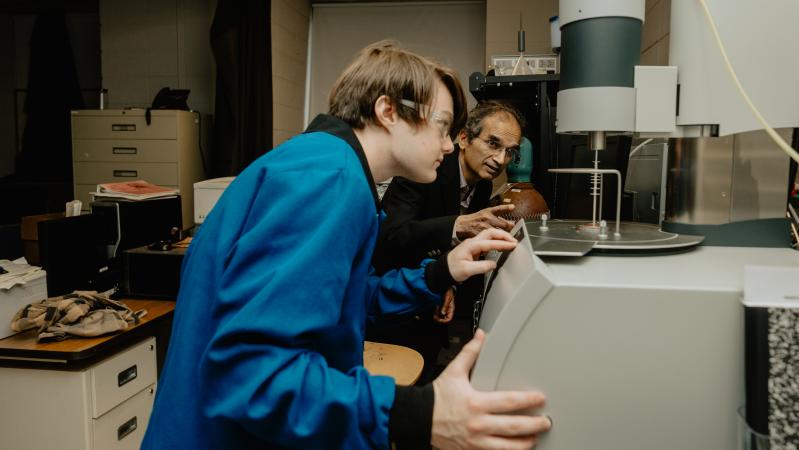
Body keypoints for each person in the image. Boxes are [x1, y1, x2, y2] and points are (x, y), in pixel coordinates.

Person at [141, 41, 551, 450]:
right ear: (388, 111)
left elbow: (341, 302)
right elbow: (251, 373)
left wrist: (442, 271)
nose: (448, 145)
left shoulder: (322, 164)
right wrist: (417, 414)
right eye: (442, 126)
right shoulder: (328, 178)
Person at [370, 101, 526, 379]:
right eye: (493, 144)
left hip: (432, 306)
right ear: (464, 138)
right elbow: (390, 238)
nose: (501, 160)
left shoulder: (483, 185)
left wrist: (447, 282)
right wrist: (457, 224)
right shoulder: (425, 171)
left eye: (510, 152)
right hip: (389, 308)